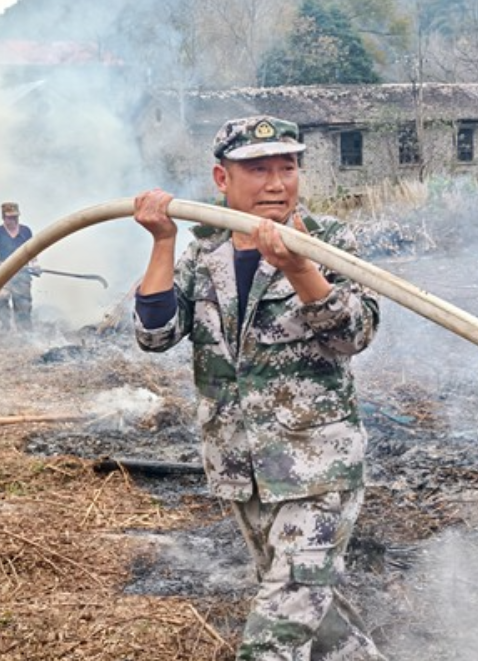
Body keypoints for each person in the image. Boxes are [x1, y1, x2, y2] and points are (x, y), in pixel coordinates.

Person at [133, 116, 383, 660]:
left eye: (287, 167)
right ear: (222, 178)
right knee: (305, 610)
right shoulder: (204, 250)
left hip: (318, 468)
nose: (276, 183)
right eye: (258, 169)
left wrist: (300, 270)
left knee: (275, 632)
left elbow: (355, 333)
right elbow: (155, 335)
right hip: (240, 467)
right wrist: (162, 241)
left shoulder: (330, 240)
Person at [0, 201, 40, 332]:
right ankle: (5, 323)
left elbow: (32, 249)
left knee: (23, 304)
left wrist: (34, 263)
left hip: (23, 273)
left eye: (15, 217)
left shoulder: (25, 231)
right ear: (3, 217)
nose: (13, 220)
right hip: (4, 272)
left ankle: (25, 334)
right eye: (10, 217)